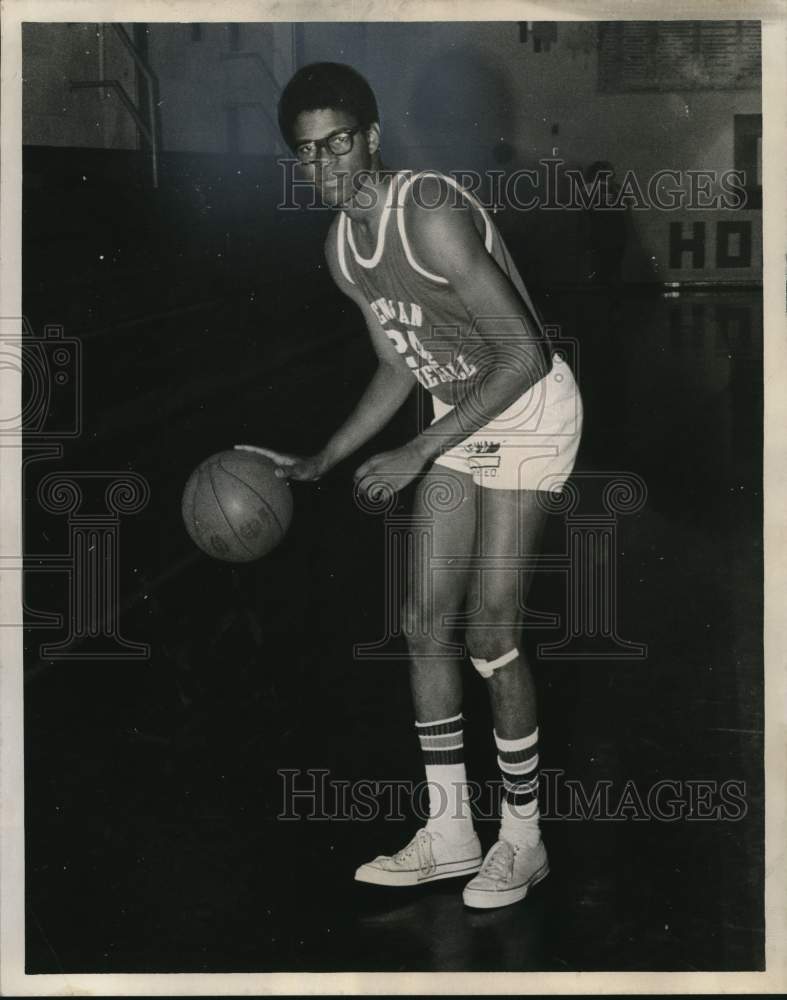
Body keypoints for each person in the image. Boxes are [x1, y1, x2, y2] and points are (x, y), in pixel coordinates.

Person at [239, 62, 582, 909]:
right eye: (307, 153)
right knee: (423, 623)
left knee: (488, 633)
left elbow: (524, 353)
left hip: (527, 410)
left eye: (339, 144)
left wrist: (415, 452)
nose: (324, 166)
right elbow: (397, 363)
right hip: (457, 415)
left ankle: (523, 839)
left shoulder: (426, 214)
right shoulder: (342, 250)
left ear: (373, 138)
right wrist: (323, 458)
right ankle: (449, 832)